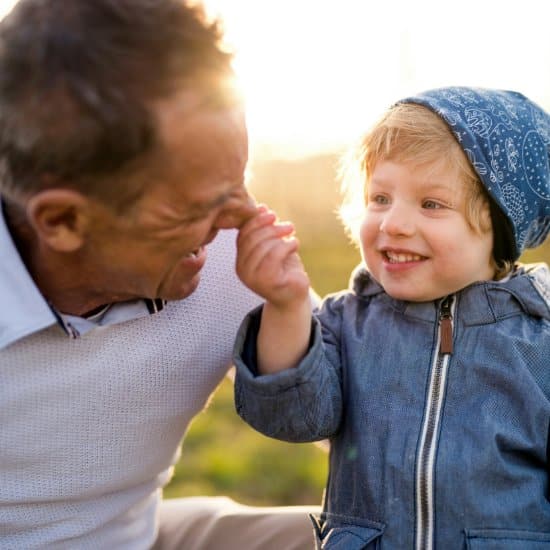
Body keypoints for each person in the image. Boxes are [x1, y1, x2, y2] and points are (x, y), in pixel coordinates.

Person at [0, 0, 319, 548]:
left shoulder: (227, 259)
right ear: (64, 220)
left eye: (241, 179)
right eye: (201, 205)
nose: (244, 215)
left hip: (139, 536)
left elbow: (363, 402)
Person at [233, 87, 550, 549]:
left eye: (431, 204)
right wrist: (287, 306)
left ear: (499, 228)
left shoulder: (538, 342)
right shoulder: (348, 323)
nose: (393, 223)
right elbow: (292, 416)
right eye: (380, 197)